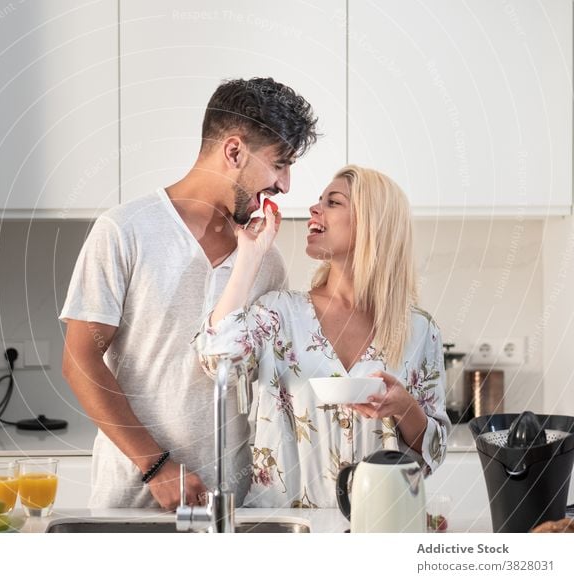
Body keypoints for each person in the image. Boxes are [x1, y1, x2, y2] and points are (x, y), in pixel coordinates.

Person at [60, 78, 319, 509]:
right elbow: (80, 361)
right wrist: (156, 467)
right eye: (280, 164)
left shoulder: (265, 260)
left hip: (230, 505)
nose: (286, 185)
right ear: (234, 151)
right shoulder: (125, 231)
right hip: (133, 501)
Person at [194, 165, 451, 508]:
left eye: (333, 202)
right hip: (285, 528)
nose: (314, 209)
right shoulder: (280, 314)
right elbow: (216, 358)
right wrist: (249, 258)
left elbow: (435, 450)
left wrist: (404, 407)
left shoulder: (419, 330)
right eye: (318, 201)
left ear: (373, 222)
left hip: (378, 526)